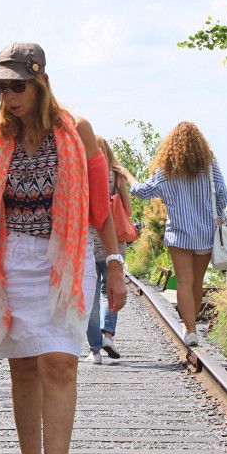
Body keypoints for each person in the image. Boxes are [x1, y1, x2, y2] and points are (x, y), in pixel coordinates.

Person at [0, 42, 127, 454]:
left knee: (59, 362)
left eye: (18, 86)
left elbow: (99, 204)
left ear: (40, 83)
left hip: (67, 254)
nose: (9, 96)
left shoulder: (77, 130)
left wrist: (115, 262)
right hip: (13, 257)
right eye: (1, 87)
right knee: (22, 367)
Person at [129, 121, 225, 347]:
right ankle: (192, 327)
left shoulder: (167, 170)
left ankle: (190, 330)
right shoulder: (209, 166)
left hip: (180, 233)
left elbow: (143, 191)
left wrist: (128, 177)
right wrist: (218, 215)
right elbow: (221, 191)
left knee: (183, 281)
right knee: (197, 283)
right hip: (205, 232)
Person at [86, 137, 133, 363]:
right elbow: (129, 211)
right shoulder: (117, 176)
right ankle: (108, 336)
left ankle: (95, 351)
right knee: (110, 292)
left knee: (91, 296)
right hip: (114, 245)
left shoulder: (84, 172)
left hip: (88, 243)